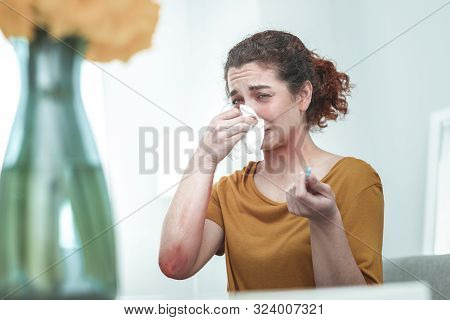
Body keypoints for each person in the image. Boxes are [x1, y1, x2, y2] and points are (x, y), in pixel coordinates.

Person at [159, 30, 384, 292]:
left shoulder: (354, 179)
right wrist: (204, 157)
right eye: (238, 100)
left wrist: (324, 222)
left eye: (262, 96)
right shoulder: (229, 192)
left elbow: (358, 309)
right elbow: (174, 264)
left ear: (302, 96)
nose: (249, 113)